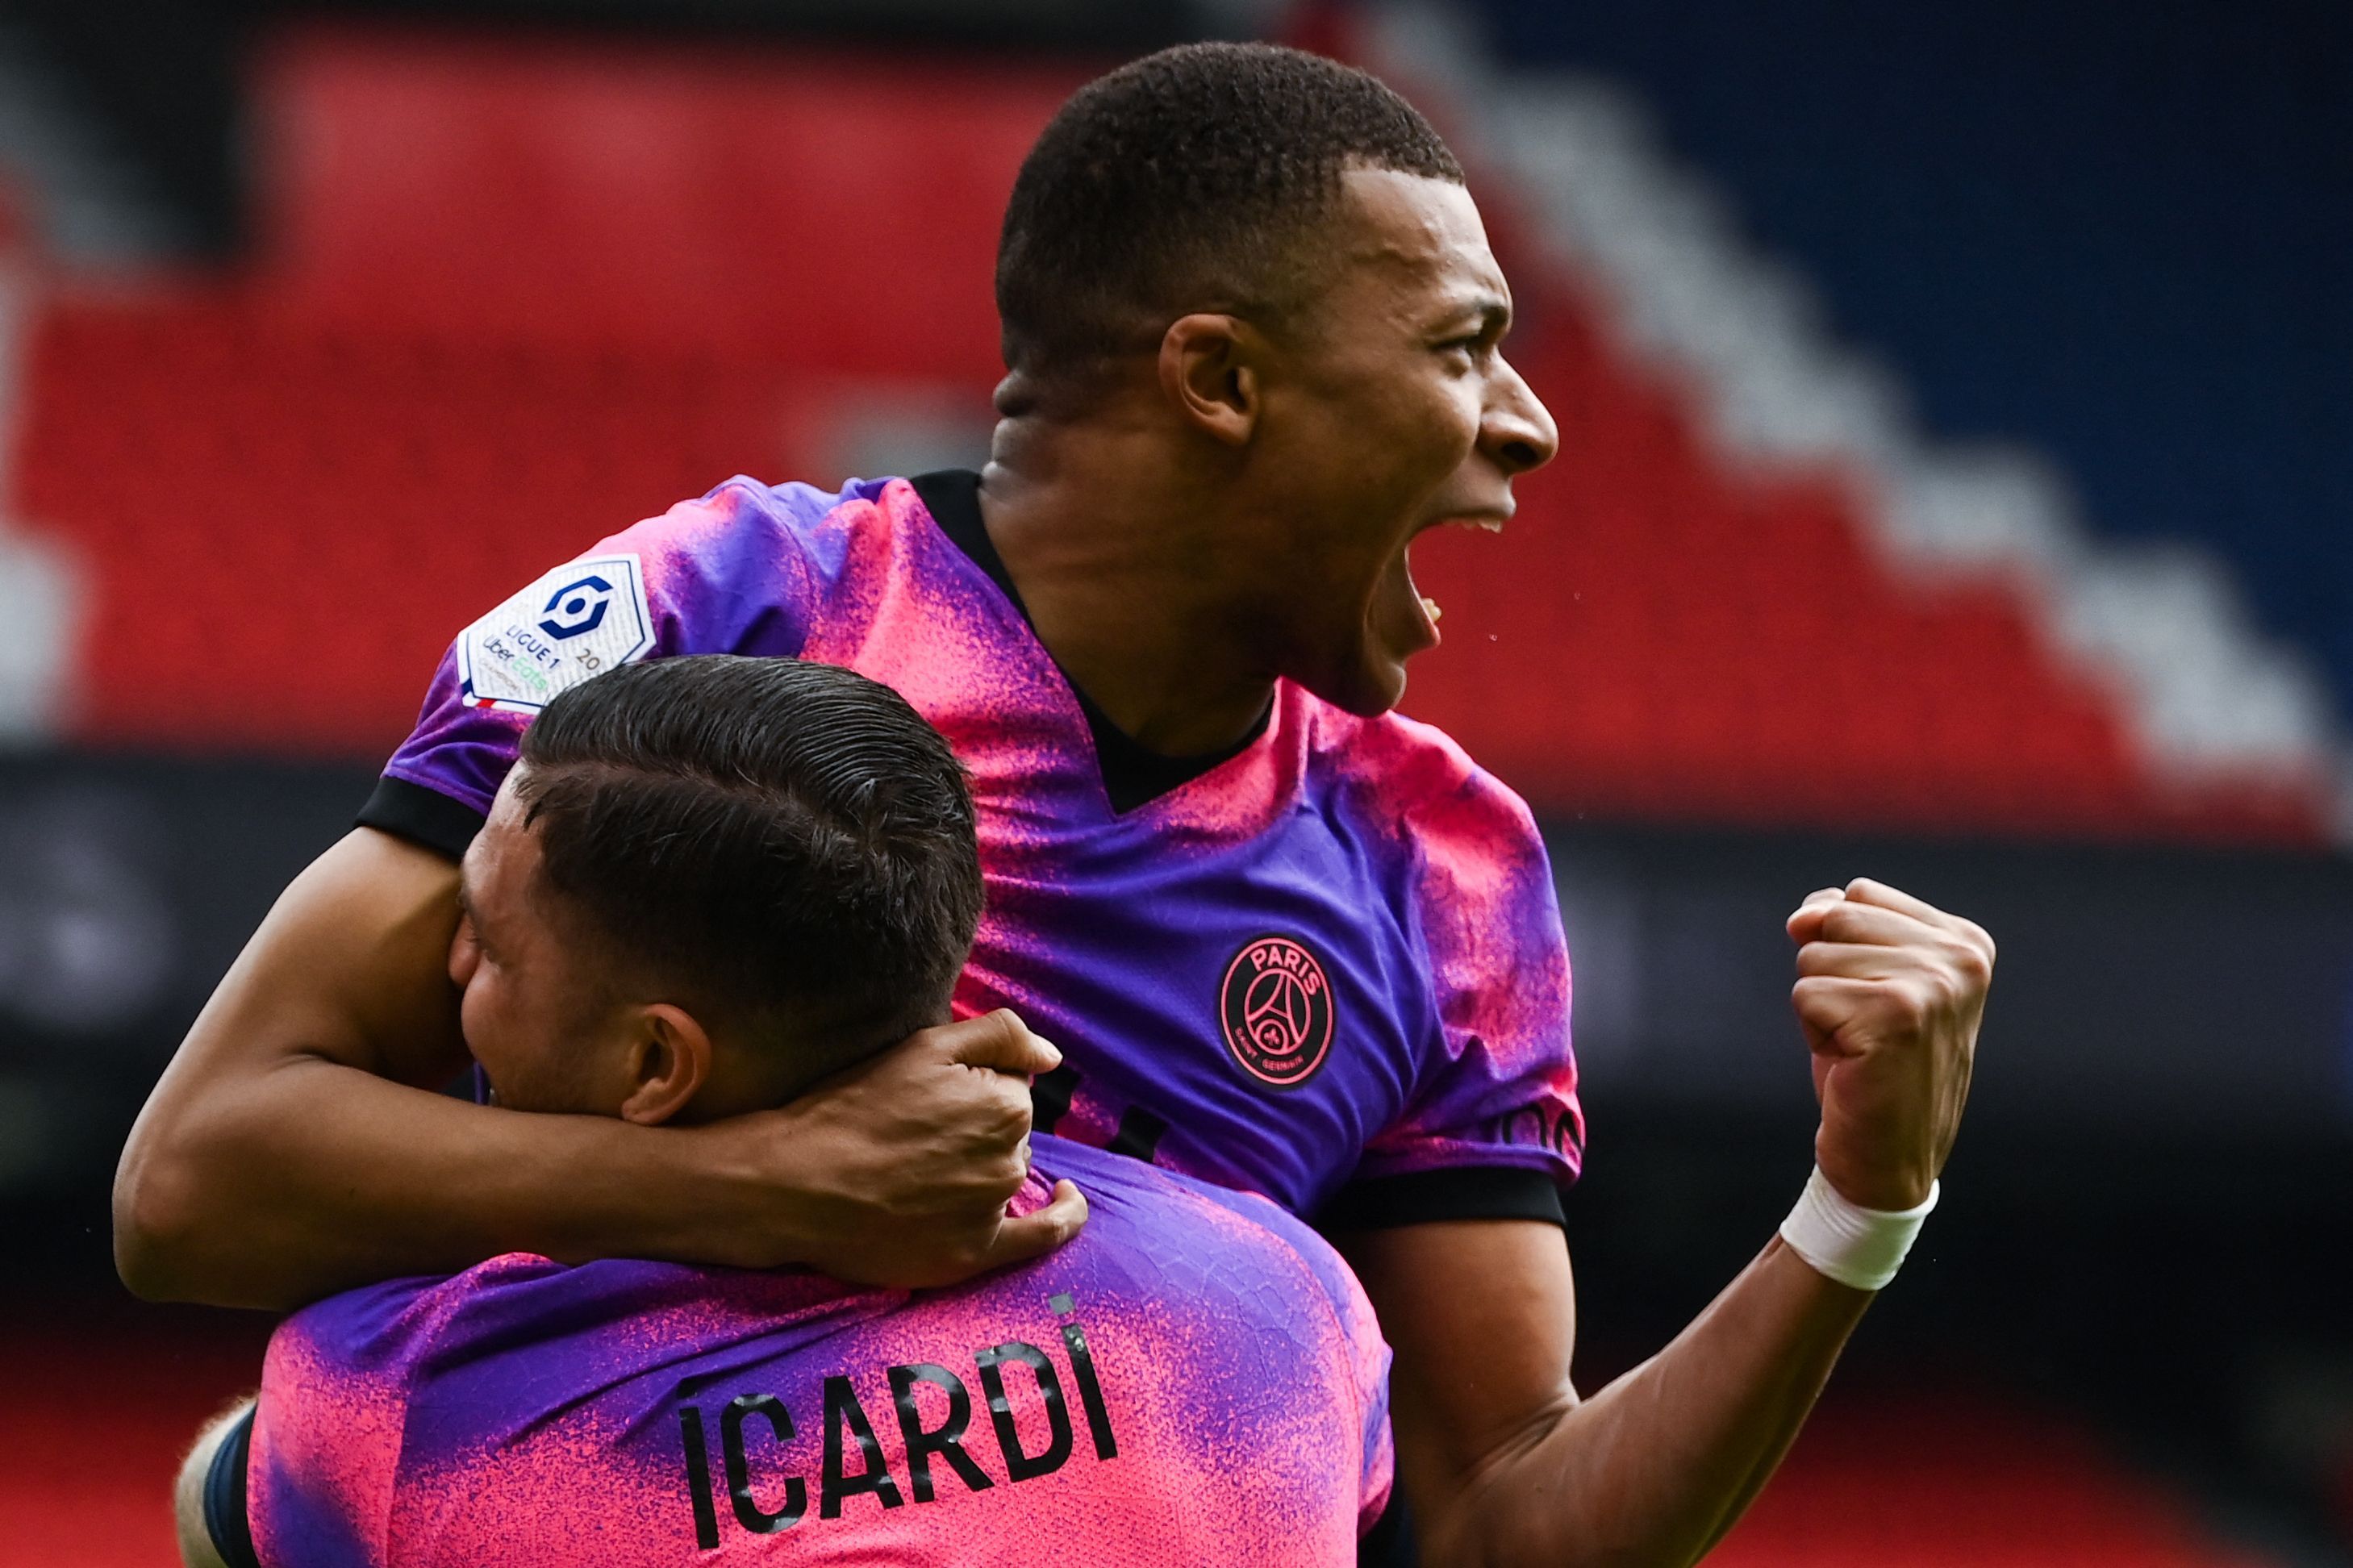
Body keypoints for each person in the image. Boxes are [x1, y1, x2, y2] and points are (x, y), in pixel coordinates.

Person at [120, 42, 1993, 1566]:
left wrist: (1858, 1206)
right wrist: (758, 1193)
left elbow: (1506, 1513)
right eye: (1456, 346)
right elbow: (196, 1184)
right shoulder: (731, 607)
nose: (1527, 420)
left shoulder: (1447, 868)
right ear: (1220, 378)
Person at [177, 654, 1393, 1568]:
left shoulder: (409, 1404)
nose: (443, 969)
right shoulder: (1284, 1305)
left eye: (489, 945)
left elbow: (215, 1506)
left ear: (659, 1064)